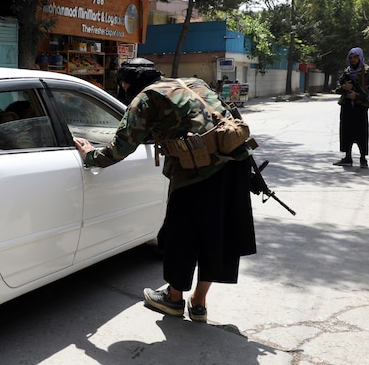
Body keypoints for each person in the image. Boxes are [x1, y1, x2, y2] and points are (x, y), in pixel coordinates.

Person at [73, 61, 256, 323]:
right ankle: (199, 303)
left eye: (123, 86)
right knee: (218, 236)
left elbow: (121, 147)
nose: (123, 91)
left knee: (181, 236)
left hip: (198, 172)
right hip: (235, 164)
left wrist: (90, 155)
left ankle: (173, 300)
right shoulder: (194, 83)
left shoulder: (146, 98)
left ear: (130, 84)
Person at [333, 47, 369, 168]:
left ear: (360, 57)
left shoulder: (367, 71)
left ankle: (363, 159)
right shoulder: (347, 71)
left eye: (355, 57)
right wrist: (344, 87)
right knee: (346, 132)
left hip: (360, 107)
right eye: (351, 58)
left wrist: (357, 95)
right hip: (347, 106)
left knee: (361, 133)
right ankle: (348, 157)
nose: (353, 60)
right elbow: (337, 88)